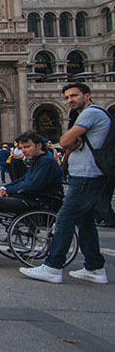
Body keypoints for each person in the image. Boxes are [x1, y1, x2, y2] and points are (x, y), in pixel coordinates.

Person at [21, 83, 110, 284]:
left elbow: (65, 140)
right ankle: (95, 268)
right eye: (67, 97)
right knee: (85, 221)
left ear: (87, 95)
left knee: (65, 217)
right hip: (85, 175)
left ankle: (53, 266)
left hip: (88, 175)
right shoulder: (85, 115)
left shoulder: (91, 113)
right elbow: (69, 143)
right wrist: (70, 142)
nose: (70, 100)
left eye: (74, 96)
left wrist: (69, 139)